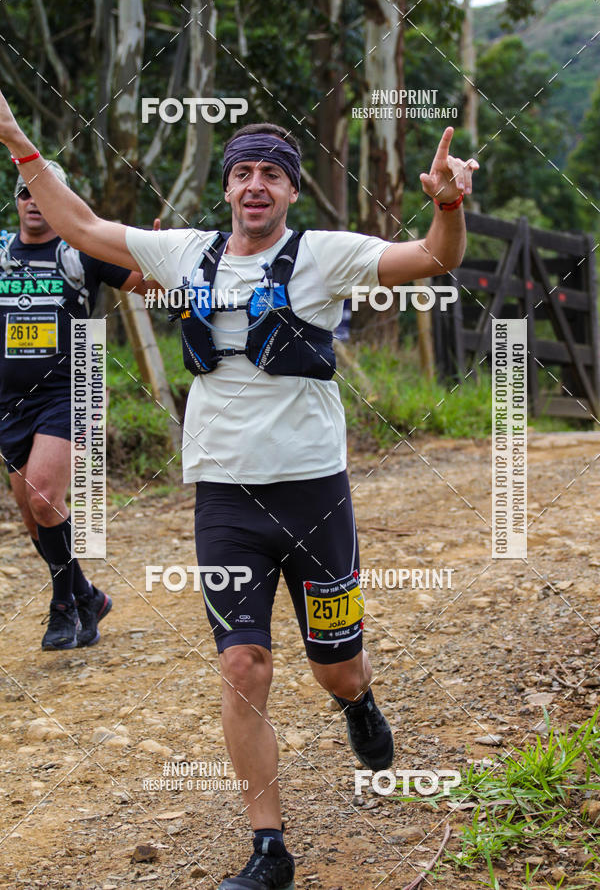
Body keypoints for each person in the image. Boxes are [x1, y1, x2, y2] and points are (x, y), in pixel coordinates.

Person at [0, 93, 477, 889]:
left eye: (272, 175)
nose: (256, 185)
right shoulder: (185, 254)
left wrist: (449, 206)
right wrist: (19, 143)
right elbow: (82, 228)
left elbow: (434, 259)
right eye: (243, 173)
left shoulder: (327, 255)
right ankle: (268, 849)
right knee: (244, 664)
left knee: (337, 667)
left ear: (292, 191)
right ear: (227, 189)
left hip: (315, 496)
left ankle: (357, 704)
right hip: (223, 498)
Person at [0, 159, 144, 652]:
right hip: (10, 400)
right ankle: (88, 594)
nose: (34, 201)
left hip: (73, 385)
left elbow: (149, 283)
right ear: (16, 200)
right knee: (31, 510)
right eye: (24, 193)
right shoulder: (0, 252)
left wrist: (165, 256)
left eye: (45, 191)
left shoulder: (82, 251)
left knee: (42, 497)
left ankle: (63, 608)